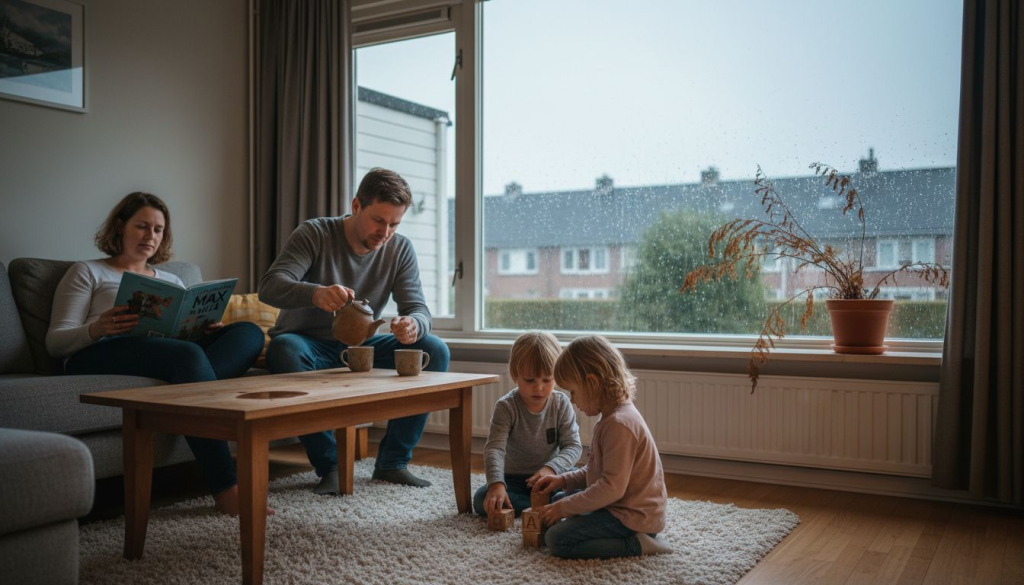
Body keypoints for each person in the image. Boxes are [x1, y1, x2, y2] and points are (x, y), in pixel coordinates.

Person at [46, 192, 266, 516]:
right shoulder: (88, 272)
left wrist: (205, 329)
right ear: (120, 227)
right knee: (189, 358)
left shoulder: (171, 279)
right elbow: (55, 342)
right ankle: (226, 486)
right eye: (142, 226)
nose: (151, 236)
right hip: (99, 351)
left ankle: (186, 393)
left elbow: (181, 334)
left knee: (249, 333)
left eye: (159, 229)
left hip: (165, 350)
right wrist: (99, 328)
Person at [259, 167, 450, 494]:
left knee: (434, 350)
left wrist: (413, 325)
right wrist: (316, 294)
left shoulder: (400, 249)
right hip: (307, 344)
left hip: (362, 345)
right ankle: (331, 466)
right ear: (356, 205)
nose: (385, 232)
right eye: (379, 220)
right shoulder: (315, 233)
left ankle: (392, 463)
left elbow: (418, 309)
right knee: (285, 350)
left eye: (394, 224)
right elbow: (269, 287)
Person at [534, 335, 671, 559]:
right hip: (618, 504)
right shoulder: (611, 418)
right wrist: (564, 480)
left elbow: (610, 488)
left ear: (593, 383)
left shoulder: (619, 425)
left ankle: (637, 544)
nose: (571, 400)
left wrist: (566, 508)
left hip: (632, 516)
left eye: (573, 391)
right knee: (557, 501)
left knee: (557, 539)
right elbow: (598, 472)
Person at [474, 331, 582, 518]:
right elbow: (495, 449)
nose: (539, 388)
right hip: (515, 480)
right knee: (481, 498)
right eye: (530, 380)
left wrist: (552, 468)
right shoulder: (506, 406)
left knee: (585, 480)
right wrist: (496, 485)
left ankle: (550, 506)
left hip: (551, 477)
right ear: (515, 374)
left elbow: (573, 446)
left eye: (547, 380)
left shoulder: (561, 403)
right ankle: (553, 508)